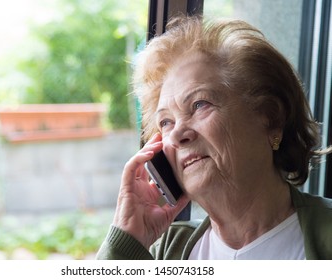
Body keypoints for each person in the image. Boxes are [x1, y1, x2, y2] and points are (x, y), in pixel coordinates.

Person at [96, 16, 332, 260]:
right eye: (166, 122)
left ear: (270, 119)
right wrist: (127, 239)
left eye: (199, 104)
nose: (177, 134)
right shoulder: (166, 250)